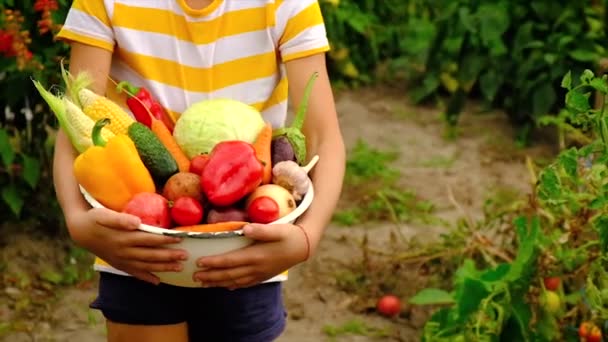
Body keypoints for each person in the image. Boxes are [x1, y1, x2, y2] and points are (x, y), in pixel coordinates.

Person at [52, 0, 345, 341]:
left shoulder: (288, 4)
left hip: (247, 250)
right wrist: (76, 219)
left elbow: (324, 136)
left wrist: (308, 236)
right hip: (139, 245)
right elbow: (75, 124)